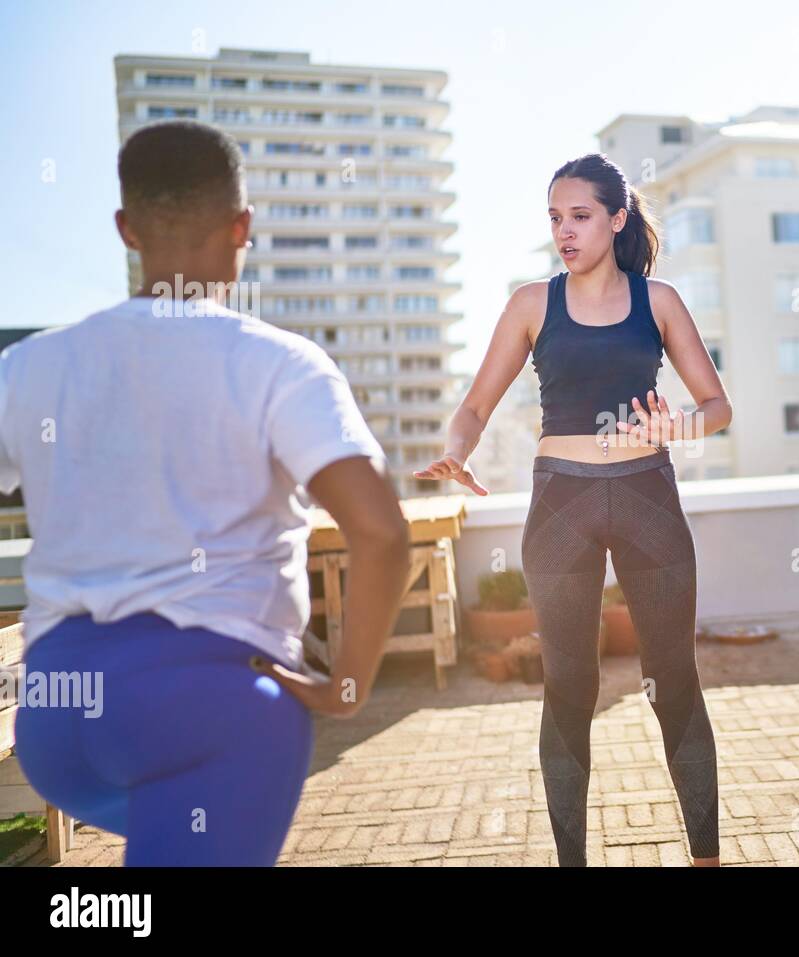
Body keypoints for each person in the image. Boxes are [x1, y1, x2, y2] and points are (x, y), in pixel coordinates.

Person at [1, 120, 411, 865]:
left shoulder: (29, 366)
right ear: (243, 226)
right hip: (207, 713)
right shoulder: (280, 365)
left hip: (55, 723)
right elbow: (381, 532)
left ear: (126, 229)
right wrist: (349, 685)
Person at [414, 153, 732, 866]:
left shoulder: (660, 301)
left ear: (618, 219)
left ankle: (707, 857)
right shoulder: (533, 303)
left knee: (673, 678)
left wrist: (675, 426)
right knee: (568, 687)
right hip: (562, 501)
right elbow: (473, 404)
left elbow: (717, 407)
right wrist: (456, 450)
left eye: (580, 216)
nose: (565, 230)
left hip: (648, 493)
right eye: (555, 218)